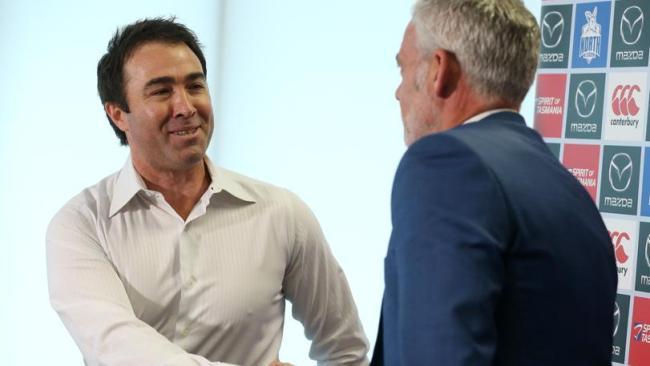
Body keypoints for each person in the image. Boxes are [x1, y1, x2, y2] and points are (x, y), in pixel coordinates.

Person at [46, 18, 368, 366]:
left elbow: (345, 351)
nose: (186, 107)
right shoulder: (81, 225)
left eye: (195, 86)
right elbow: (119, 349)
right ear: (118, 114)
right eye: (161, 91)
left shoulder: (282, 214)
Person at [371, 1, 617, 365]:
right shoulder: (569, 190)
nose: (398, 92)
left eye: (403, 69)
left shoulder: (445, 167)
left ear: (440, 70)